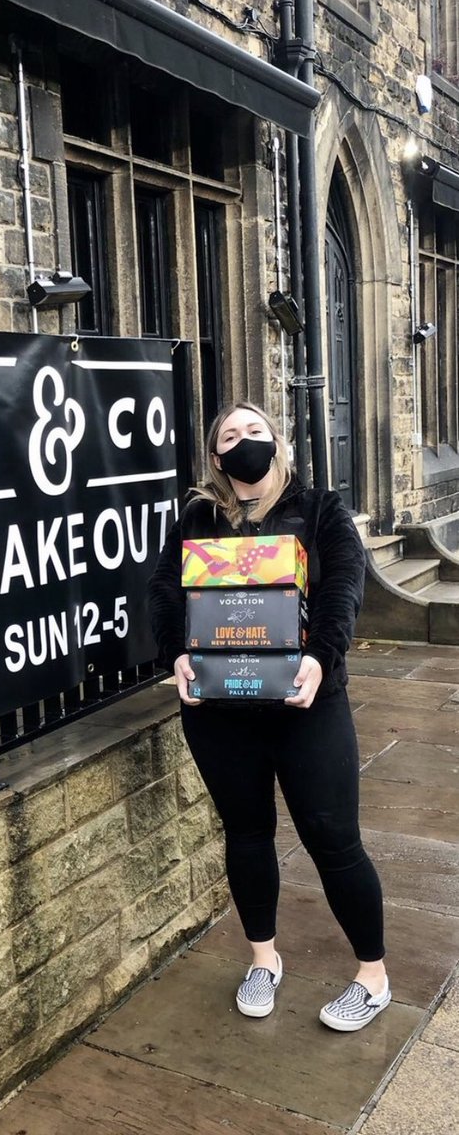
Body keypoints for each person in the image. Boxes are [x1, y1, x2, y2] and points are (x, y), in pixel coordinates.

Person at [147, 400, 389, 1032]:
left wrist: (322, 656)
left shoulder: (321, 510)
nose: (244, 440)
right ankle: (263, 960)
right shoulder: (197, 516)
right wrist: (176, 653)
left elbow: (344, 584)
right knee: (247, 833)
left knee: (333, 840)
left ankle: (372, 976)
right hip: (221, 709)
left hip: (305, 703)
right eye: (230, 434)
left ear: (277, 442)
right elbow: (165, 589)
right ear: (216, 455)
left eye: (256, 429)